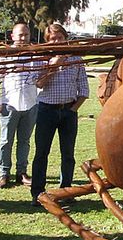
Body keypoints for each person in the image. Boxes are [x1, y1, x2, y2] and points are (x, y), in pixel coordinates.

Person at [30, 21, 90, 202]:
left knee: (68, 154)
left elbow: (84, 89)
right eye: (52, 39)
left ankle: (66, 192)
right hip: (46, 110)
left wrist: (73, 110)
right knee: (41, 153)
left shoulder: (75, 59)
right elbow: (39, 83)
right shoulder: (41, 59)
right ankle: (38, 193)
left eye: (60, 38)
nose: (56, 41)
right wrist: (53, 66)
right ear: (47, 41)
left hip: (68, 112)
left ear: (66, 38)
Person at [0, 22, 40, 189]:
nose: (23, 38)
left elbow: (39, 79)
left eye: (26, 35)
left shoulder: (34, 55)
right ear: (12, 36)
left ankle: (21, 173)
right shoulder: (4, 55)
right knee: (6, 141)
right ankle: (4, 173)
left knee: (24, 141)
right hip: (9, 104)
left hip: (30, 104)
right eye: (20, 35)